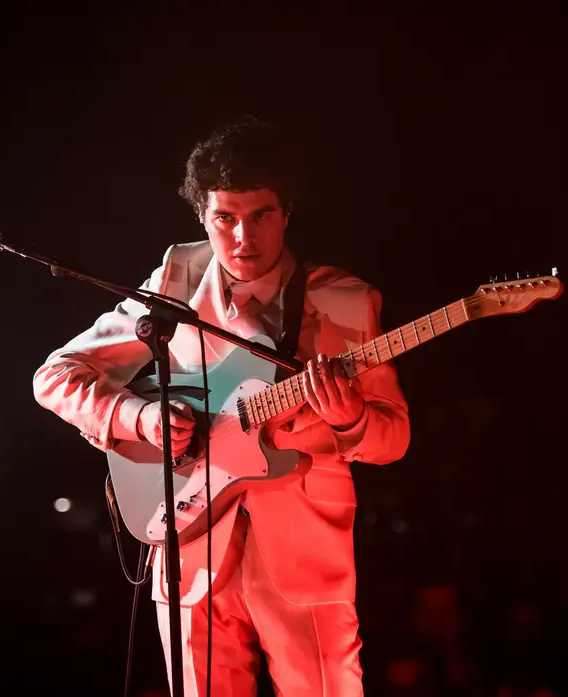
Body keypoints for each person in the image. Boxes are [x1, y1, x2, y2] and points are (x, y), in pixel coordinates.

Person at [32, 116, 411, 697]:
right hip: (188, 551)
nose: (242, 238)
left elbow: (394, 436)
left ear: (286, 211)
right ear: (202, 218)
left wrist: (351, 419)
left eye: (261, 215)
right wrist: (141, 418)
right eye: (224, 219)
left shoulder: (343, 301)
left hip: (305, 557)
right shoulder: (175, 285)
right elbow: (56, 376)